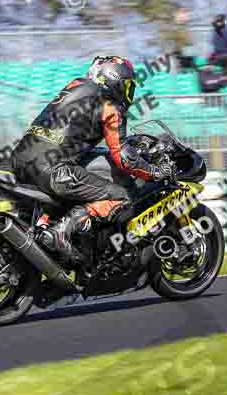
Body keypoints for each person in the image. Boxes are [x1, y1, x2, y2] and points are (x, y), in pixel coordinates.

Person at [10, 56, 175, 260]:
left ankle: (44, 227)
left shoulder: (74, 87)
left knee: (64, 193)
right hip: (53, 170)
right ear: (114, 79)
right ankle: (62, 231)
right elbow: (125, 158)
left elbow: (71, 139)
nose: (128, 92)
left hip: (19, 161)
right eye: (128, 86)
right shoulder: (110, 105)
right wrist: (155, 172)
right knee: (124, 196)